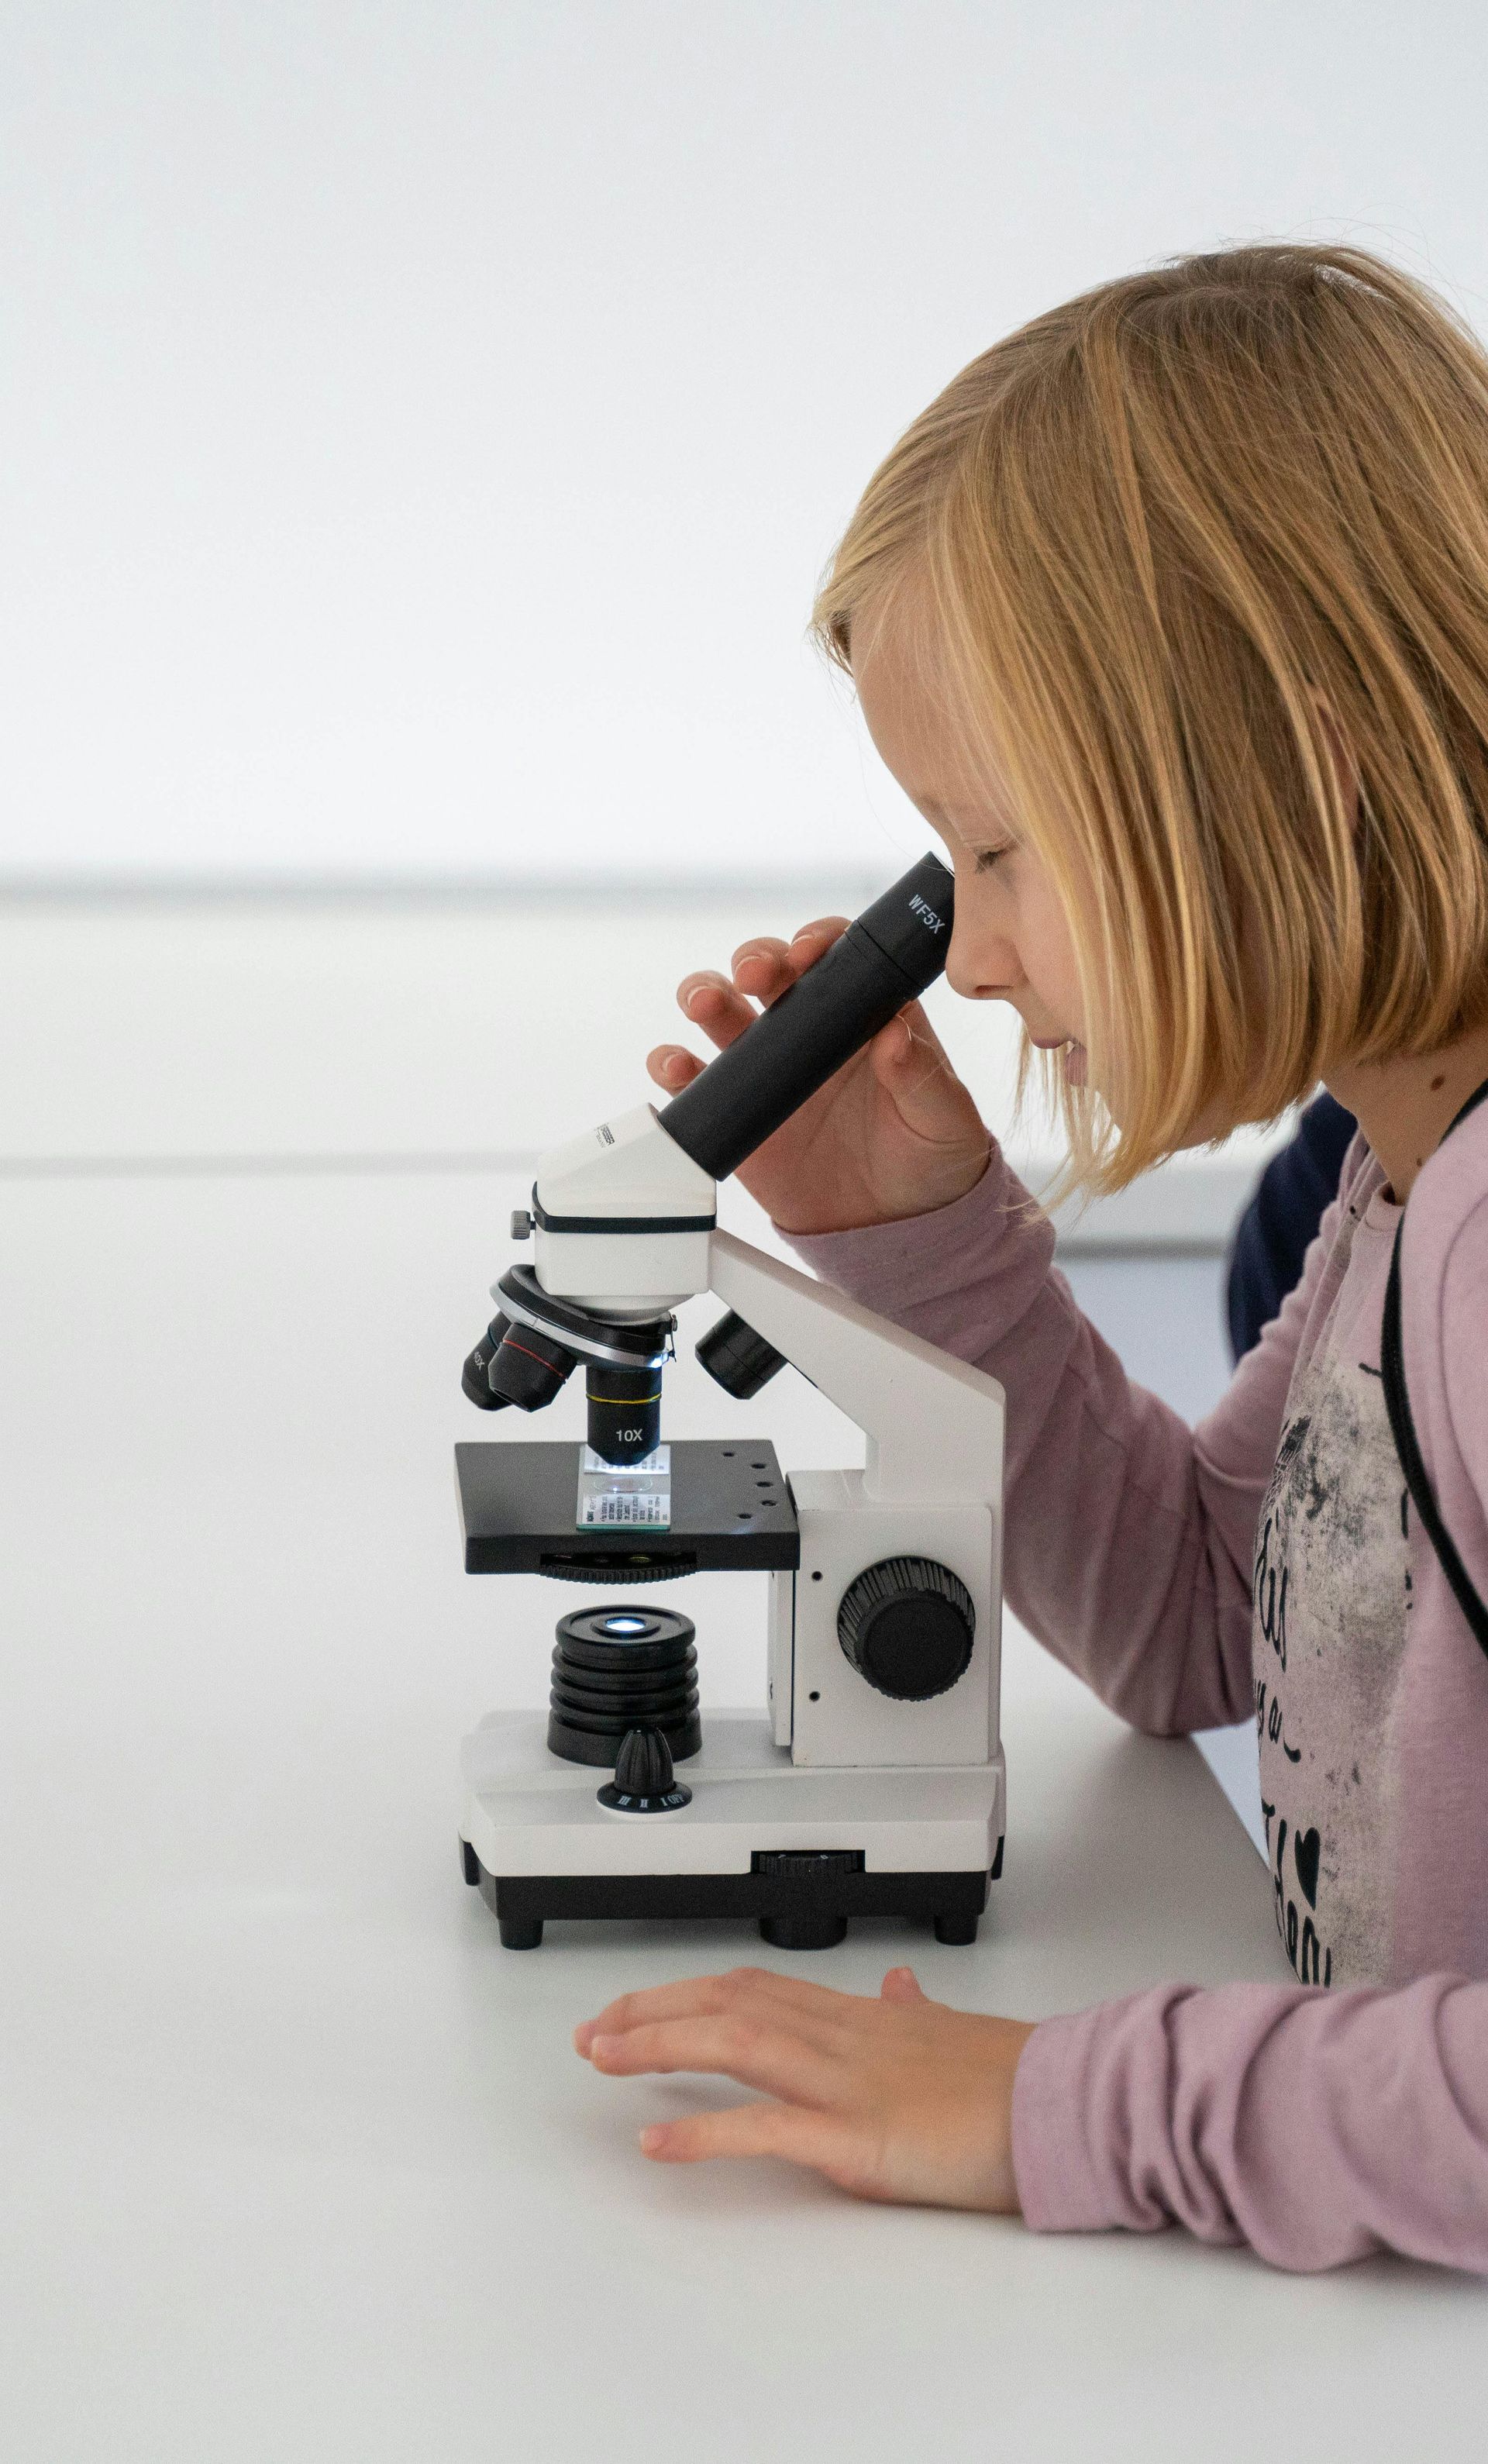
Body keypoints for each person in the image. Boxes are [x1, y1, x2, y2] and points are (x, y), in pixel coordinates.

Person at [573, 245, 1488, 2273]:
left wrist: (1056, 2098)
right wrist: (916, 1240)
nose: (970, 956)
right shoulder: (1399, 1160)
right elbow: (1201, 1618)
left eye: (1000, 850)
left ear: (1301, 772)